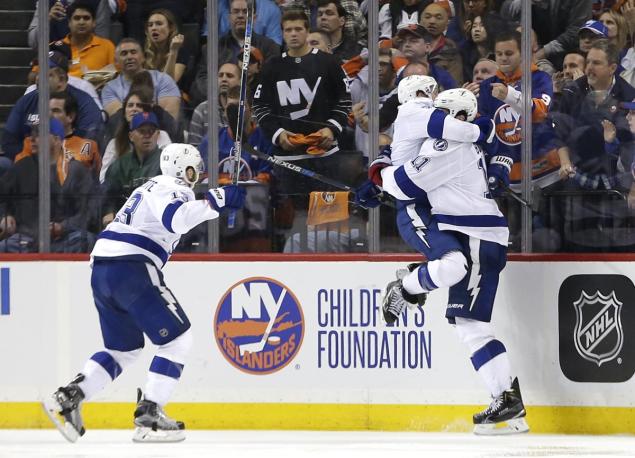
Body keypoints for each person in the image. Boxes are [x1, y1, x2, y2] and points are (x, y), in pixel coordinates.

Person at [42, 143, 246, 443]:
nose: (198, 174)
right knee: (177, 340)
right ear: (182, 168)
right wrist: (217, 200)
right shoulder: (170, 185)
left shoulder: (154, 187)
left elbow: (177, 218)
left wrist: (217, 206)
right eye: (195, 168)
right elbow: (175, 219)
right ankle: (149, 415)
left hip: (103, 271)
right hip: (131, 266)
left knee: (122, 350)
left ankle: (69, 396)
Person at [360, 88, 528, 435]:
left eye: (444, 113)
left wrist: (380, 169)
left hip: (480, 239)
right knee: (467, 324)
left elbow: (404, 185)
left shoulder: (448, 147)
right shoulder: (456, 143)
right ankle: (507, 402)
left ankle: (507, 401)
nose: (438, 120)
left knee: (472, 326)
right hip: (475, 236)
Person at [251, 9, 351, 249]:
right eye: (288, 30)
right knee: (292, 226)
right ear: (282, 33)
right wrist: (278, 134)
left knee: (329, 230)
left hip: (324, 158)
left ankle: (329, 273)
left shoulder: (328, 62)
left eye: (298, 29)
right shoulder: (272, 66)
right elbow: (261, 107)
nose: (294, 34)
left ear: (307, 31)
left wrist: (331, 129)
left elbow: (344, 101)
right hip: (288, 161)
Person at [101, 38, 181, 120]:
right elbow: (119, 120)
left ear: (143, 57)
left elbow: (169, 119)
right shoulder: (109, 89)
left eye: (133, 52)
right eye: (124, 54)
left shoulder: (163, 79)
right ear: (116, 61)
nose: (129, 57)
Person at [143, 9, 191, 85]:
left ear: (171, 28)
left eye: (159, 24)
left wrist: (173, 51)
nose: (153, 28)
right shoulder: (144, 51)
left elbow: (168, 83)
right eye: (150, 25)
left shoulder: (180, 51)